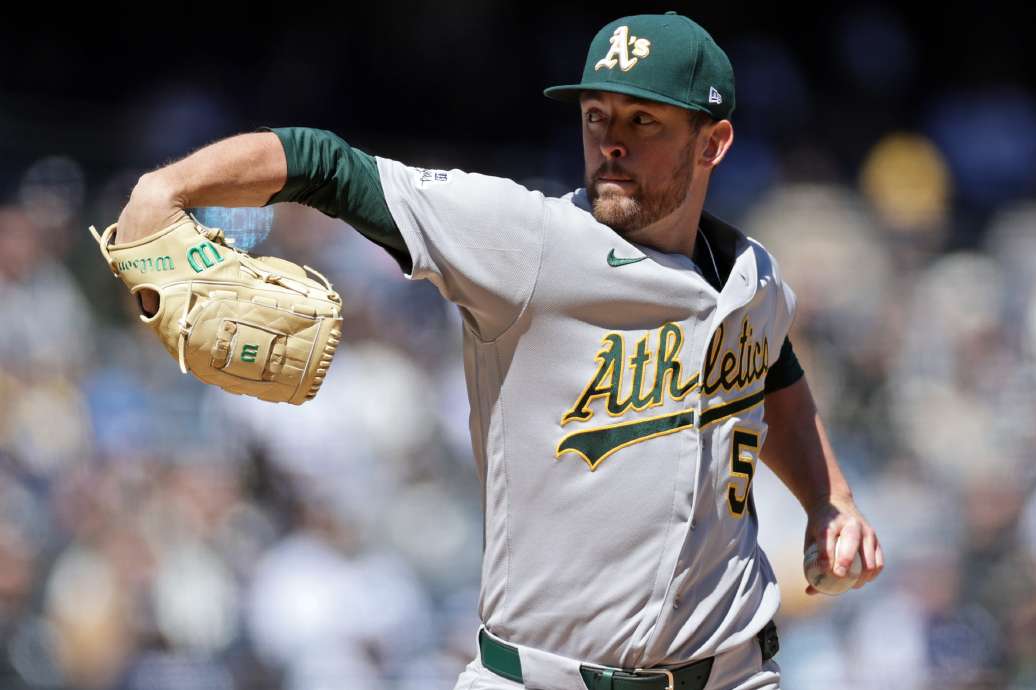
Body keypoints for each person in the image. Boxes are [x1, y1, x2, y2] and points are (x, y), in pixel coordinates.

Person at [115, 11, 883, 690]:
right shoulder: (528, 241)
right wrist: (166, 188)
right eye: (595, 115)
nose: (610, 141)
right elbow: (325, 163)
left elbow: (772, 366)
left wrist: (830, 499)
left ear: (713, 142)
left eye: (643, 122)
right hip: (541, 676)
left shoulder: (755, 277)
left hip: (736, 671)